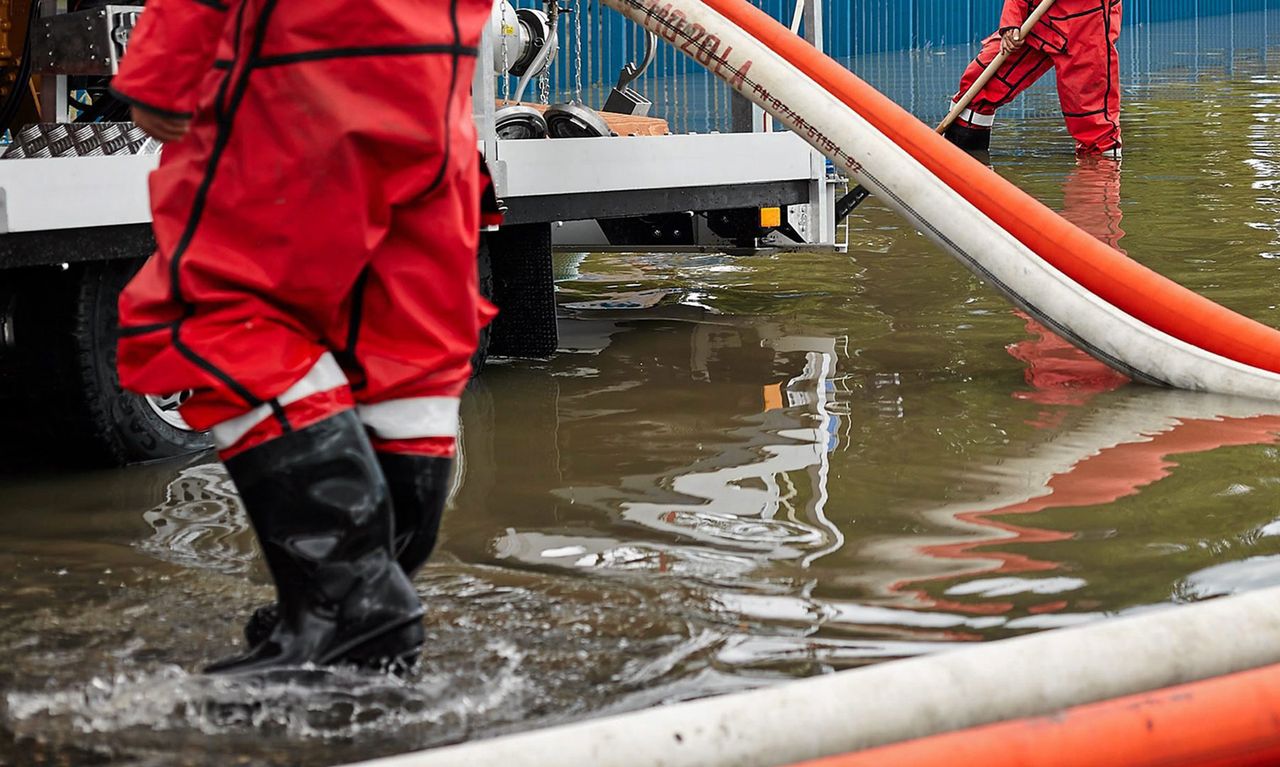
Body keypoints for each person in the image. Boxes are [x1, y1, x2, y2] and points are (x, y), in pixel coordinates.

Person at [109, 0, 497, 673]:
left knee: (220, 311)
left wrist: (162, 68)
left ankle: (350, 604)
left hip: (307, 76)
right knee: (400, 334)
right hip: (431, 93)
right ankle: (366, 601)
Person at [943, 0, 1123, 158]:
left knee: (1094, 120)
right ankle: (955, 170)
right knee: (979, 88)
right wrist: (1011, 20)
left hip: (1085, 20)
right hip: (1036, 16)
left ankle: (1098, 185)